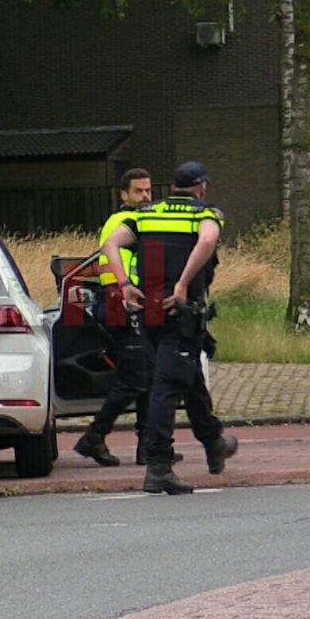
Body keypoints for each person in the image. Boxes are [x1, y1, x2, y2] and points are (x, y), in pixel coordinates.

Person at [102, 160, 239, 495]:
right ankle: (158, 466)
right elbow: (207, 241)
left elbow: (110, 245)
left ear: (172, 188)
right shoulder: (204, 213)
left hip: (149, 312)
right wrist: (182, 284)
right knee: (166, 387)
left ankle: (214, 442)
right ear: (201, 187)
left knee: (188, 378)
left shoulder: (148, 214)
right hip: (180, 311)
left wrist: (123, 285)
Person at [74, 168, 157, 467]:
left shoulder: (138, 222)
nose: (146, 196)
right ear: (124, 195)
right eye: (139, 191)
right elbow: (117, 270)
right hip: (122, 306)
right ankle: (94, 437)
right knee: (135, 380)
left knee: (148, 376)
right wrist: (126, 296)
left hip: (134, 306)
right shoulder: (123, 223)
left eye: (148, 190)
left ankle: (150, 446)